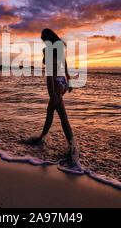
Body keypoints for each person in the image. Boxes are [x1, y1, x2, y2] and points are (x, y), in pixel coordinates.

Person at [27, 28, 79, 163]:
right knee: (50, 113)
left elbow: (49, 73)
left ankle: (73, 147)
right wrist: (69, 82)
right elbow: (65, 64)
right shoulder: (59, 47)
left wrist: (52, 92)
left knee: (63, 118)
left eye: (43, 38)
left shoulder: (49, 50)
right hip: (62, 81)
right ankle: (41, 137)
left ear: (47, 38)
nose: (42, 41)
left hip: (55, 83)